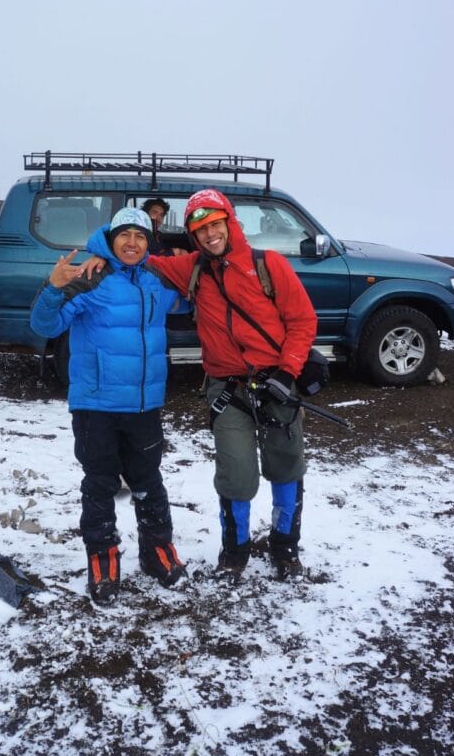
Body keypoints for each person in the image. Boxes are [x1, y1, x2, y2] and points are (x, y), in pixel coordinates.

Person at [143, 189, 317, 580]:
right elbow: (137, 256)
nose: (209, 235)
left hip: (277, 383)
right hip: (228, 391)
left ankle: (284, 547)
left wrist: (288, 373)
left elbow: (303, 322)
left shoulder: (268, 265)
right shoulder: (191, 269)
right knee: (236, 474)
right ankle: (235, 552)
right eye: (200, 229)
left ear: (229, 223)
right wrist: (101, 250)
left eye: (215, 225)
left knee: (286, 466)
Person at [29, 207, 188, 606]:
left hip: (144, 405)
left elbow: (188, 299)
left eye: (140, 235)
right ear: (111, 239)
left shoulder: (156, 280)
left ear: (148, 241)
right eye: (124, 235)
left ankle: (157, 552)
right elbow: (45, 326)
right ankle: (102, 558)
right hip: (96, 405)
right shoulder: (90, 278)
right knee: (99, 484)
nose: (132, 243)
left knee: (149, 482)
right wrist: (52, 287)